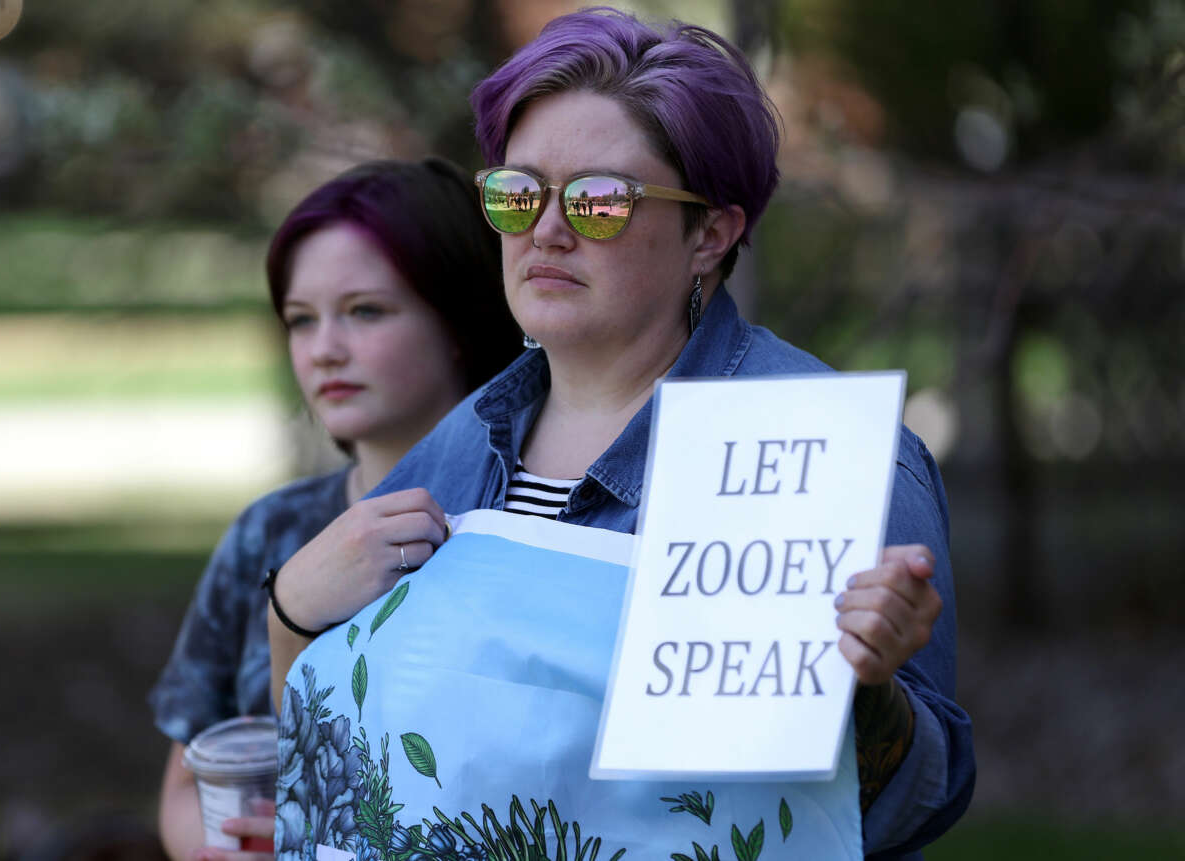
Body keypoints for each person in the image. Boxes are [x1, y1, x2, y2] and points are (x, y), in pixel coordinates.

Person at [268, 9, 975, 859]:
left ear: (711, 233)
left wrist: (867, 686)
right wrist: (290, 617)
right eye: (517, 193)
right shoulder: (457, 447)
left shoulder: (825, 453)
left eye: (600, 199)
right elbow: (350, 766)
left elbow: (916, 806)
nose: (547, 229)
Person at [149, 157, 521, 861]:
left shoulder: (526, 525)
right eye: (300, 320)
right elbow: (183, 783)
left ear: (459, 320)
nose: (324, 350)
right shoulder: (269, 532)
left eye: (365, 311)